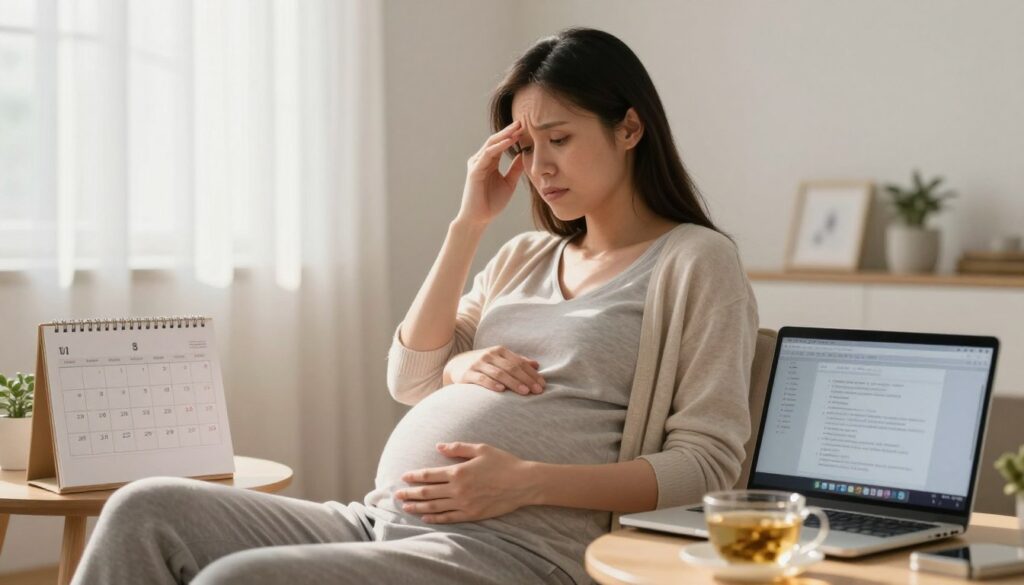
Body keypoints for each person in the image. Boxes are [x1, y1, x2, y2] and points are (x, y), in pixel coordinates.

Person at [71, 27, 758, 585]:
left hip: (515, 553)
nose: (541, 167)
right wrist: (469, 226)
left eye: (560, 137)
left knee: (240, 579)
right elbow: (411, 376)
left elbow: (707, 464)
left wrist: (525, 483)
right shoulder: (522, 255)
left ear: (630, 128)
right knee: (144, 508)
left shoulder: (695, 262)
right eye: (525, 146)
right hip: (380, 521)